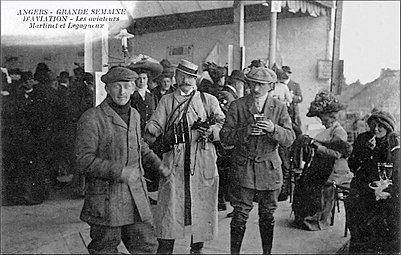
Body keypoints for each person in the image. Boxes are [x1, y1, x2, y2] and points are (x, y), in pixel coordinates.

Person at [74, 66, 169, 254]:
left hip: (136, 196)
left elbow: (139, 145)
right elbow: (82, 159)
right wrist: (119, 171)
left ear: (134, 88)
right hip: (107, 199)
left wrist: (158, 164)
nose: (122, 91)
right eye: (117, 86)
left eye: (127, 86)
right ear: (107, 89)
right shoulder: (92, 118)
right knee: (105, 248)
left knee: (147, 247)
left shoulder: (134, 114)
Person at [144, 59, 225, 254]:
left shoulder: (208, 100)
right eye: (182, 77)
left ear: (195, 80)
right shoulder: (167, 100)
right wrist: (149, 132)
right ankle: (165, 250)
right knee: (169, 210)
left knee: (203, 207)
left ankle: (196, 249)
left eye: (190, 77)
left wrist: (212, 130)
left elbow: (223, 124)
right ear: (176, 78)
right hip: (175, 161)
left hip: (203, 159)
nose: (185, 81)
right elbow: (156, 123)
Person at [220, 67, 295, 254]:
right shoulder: (237, 105)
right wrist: (245, 131)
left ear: (270, 86)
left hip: (268, 169)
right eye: (252, 84)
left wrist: (273, 128)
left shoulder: (278, 107)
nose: (255, 89)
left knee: (267, 215)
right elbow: (225, 138)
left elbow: (290, 138)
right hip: (243, 167)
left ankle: (266, 253)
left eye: (261, 85)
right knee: (239, 216)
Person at [292, 90, 353, 231]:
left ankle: (317, 219)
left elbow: (337, 154)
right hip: (324, 166)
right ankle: (303, 216)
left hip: (336, 169)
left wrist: (316, 146)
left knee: (319, 185)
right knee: (305, 180)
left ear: (332, 117)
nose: (323, 122)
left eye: (325, 120)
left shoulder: (339, 132)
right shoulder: (329, 130)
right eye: (322, 119)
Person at [345, 110, 400, 253]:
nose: (376, 129)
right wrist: (367, 152)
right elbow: (352, 163)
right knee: (357, 212)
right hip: (363, 186)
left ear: (388, 127)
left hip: (384, 188)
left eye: (380, 126)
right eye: (373, 125)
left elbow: (394, 170)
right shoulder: (363, 139)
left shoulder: (393, 142)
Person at [128, 58, 163, 134]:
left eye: (144, 78)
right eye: (139, 78)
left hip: (150, 133)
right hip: (135, 131)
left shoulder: (152, 96)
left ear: (148, 79)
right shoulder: (130, 96)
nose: (142, 81)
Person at [282, 65, 303, 131]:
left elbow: (300, 99)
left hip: (293, 111)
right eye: (284, 73)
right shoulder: (279, 85)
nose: (286, 74)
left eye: (288, 73)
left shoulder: (295, 85)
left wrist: (293, 96)